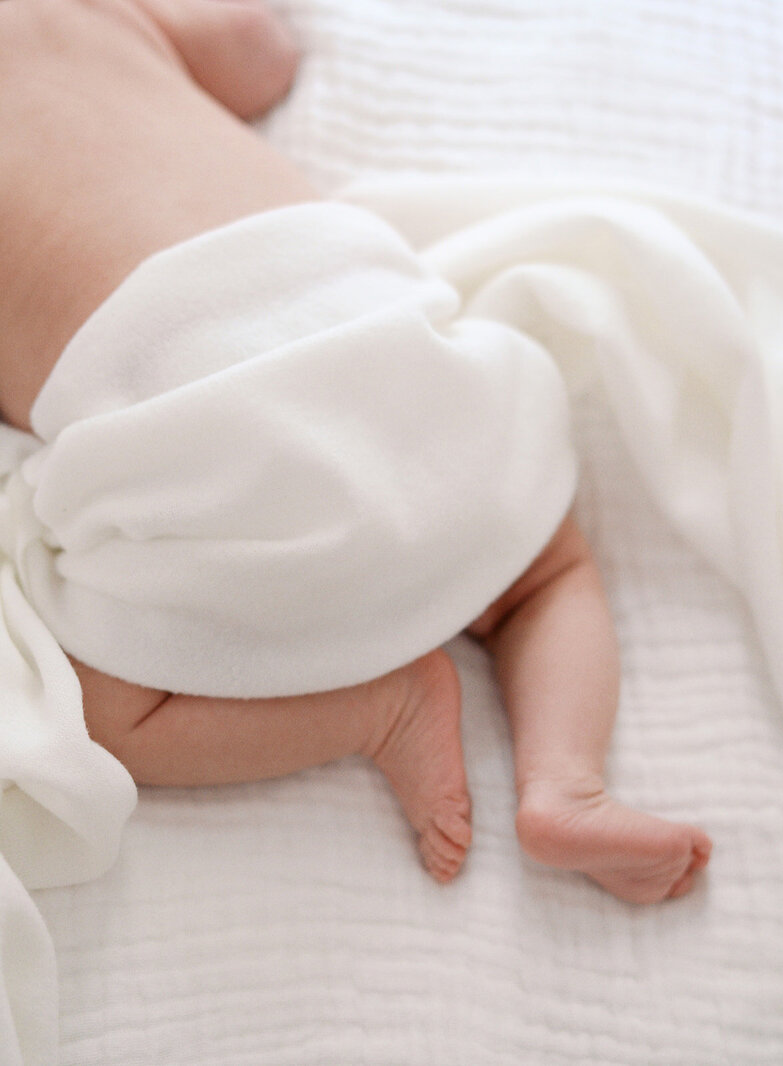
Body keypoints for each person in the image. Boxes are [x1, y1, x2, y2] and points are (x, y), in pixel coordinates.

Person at [0, 0, 711, 902]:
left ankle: (379, 708)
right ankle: (565, 779)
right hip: (370, 330)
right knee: (545, 573)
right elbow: (261, 54)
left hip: (201, 428)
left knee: (100, 710)